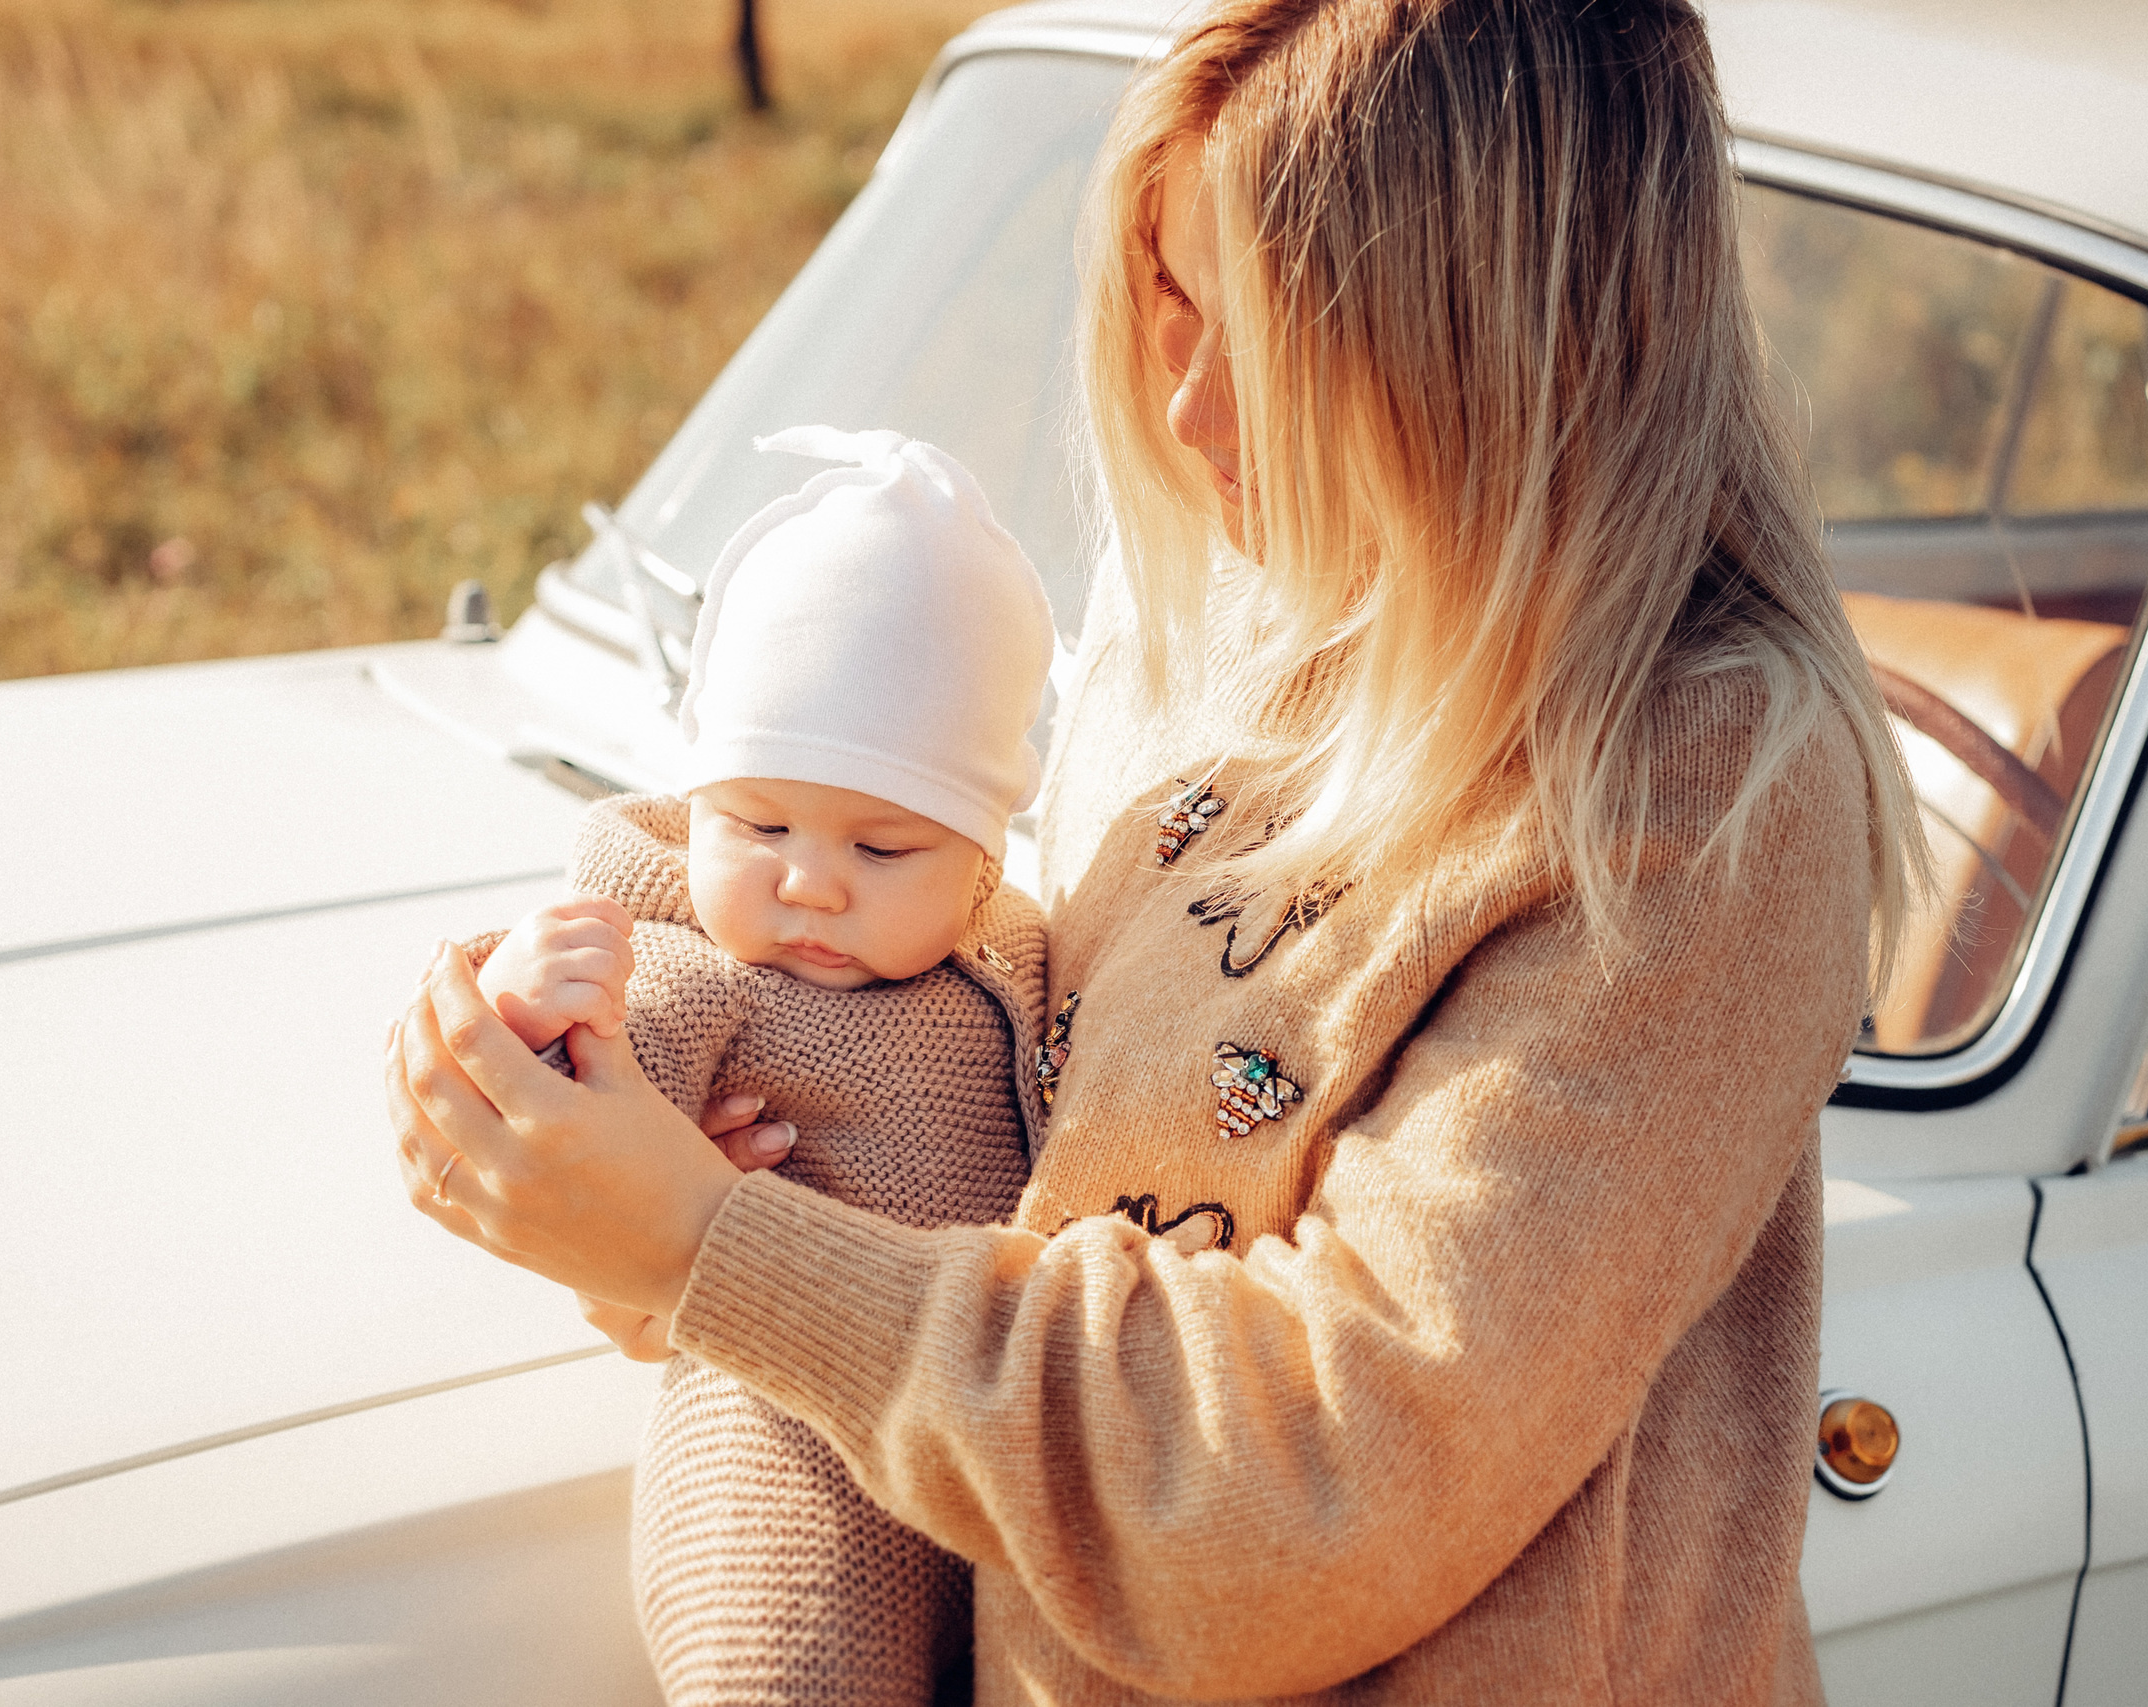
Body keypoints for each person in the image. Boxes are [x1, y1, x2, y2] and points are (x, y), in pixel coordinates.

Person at [389, 1, 1928, 1700]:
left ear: (1500, 338)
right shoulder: (1214, 609)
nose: (1184, 405)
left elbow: (1321, 1477)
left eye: (1264, 336)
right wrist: (660, 1147)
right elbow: (1040, 1144)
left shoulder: (1705, 787)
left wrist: (710, 1251)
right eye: (1167, 303)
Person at [468, 426, 1056, 1705]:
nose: (807, 881)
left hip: (988, 1432)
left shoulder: (1017, 964)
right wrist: (522, 1004)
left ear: (982, 859)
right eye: (758, 822)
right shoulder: (690, 979)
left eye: (886, 846)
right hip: (778, 1451)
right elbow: (561, 1159)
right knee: (792, 1666)